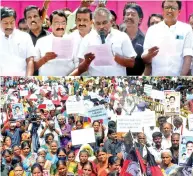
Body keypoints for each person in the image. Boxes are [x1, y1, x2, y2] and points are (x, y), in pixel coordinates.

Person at [77, 7, 137, 76]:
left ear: (111, 22)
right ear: (93, 24)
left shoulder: (122, 36)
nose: (101, 26)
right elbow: (80, 69)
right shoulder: (87, 39)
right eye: (98, 23)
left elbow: (131, 63)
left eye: (104, 22)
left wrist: (115, 57)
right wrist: (87, 62)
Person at [142, 0, 193, 76]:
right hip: (156, 76)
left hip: (178, 76)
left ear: (179, 11)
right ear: (162, 10)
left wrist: (181, 77)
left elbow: (188, 57)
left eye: (173, 8)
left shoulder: (186, 29)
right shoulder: (152, 30)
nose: (169, 10)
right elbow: (145, 57)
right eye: (167, 7)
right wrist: (149, 55)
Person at [0, 7, 35, 76]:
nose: (9, 26)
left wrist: (27, 78)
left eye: (12, 22)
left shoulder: (25, 37)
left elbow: (30, 60)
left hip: (21, 80)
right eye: (5, 23)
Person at [121, 3, 145, 75]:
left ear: (140, 20)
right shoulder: (116, 35)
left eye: (133, 15)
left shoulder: (144, 39)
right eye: (127, 14)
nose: (129, 17)